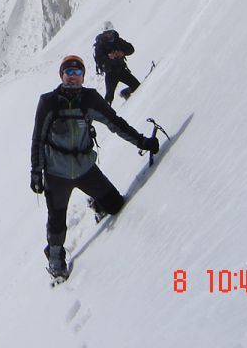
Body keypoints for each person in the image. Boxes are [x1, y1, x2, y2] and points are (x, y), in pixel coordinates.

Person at [30, 55, 159, 279]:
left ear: (83, 77)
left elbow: (115, 123)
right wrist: (36, 171)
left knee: (116, 205)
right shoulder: (48, 101)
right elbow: (38, 139)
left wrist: (142, 141)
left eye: (77, 73)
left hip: (85, 169)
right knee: (57, 221)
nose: (72, 77)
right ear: (61, 75)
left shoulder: (89, 99)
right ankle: (55, 255)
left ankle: (97, 202)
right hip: (56, 173)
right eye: (68, 73)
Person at [93, 22, 141, 105]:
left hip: (121, 70)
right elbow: (98, 59)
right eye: (106, 33)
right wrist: (108, 57)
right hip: (110, 72)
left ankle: (125, 93)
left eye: (110, 32)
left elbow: (131, 49)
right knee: (109, 97)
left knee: (137, 86)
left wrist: (122, 53)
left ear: (112, 31)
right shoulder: (100, 44)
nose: (108, 35)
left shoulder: (117, 40)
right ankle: (104, 115)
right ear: (103, 33)